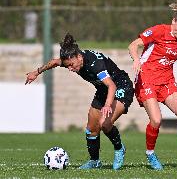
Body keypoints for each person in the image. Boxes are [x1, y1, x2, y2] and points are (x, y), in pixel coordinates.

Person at [25, 33, 134, 170]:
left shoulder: (95, 64)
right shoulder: (72, 60)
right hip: (103, 90)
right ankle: (94, 161)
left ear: (78, 56)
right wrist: (37, 72)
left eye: (71, 65)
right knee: (91, 129)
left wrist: (107, 105)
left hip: (120, 86)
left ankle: (119, 149)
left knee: (105, 123)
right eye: (67, 66)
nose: (70, 69)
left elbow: (111, 85)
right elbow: (54, 62)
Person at [128, 3, 177, 170]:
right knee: (156, 120)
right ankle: (150, 153)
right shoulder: (159, 31)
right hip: (147, 79)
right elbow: (133, 45)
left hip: (166, 81)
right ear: (173, 21)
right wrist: (136, 59)